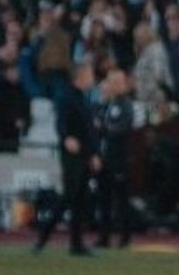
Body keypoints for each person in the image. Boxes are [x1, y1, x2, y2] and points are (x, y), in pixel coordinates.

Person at [33, 64, 100, 256]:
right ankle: (43, 238)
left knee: (79, 199)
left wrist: (94, 154)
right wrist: (66, 138)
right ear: (80, 77)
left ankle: (76, 244)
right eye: (89, 75)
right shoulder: (67, 97)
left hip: (84, 153)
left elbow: (89, 130)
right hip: (72, 155)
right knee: (69, 196)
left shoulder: (83, 98)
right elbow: (61, 123)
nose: (92, 78)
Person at [96, 69, 136, 249]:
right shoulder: (105, 104)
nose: (112, 86)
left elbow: (121, 129)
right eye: (110, 82)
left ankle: (125, 236)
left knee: (121, 199)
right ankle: (104, 237)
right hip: (104, 157)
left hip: (119, 158)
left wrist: (103, 127)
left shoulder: (126, 105)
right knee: (104, 198)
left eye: (116, 82)